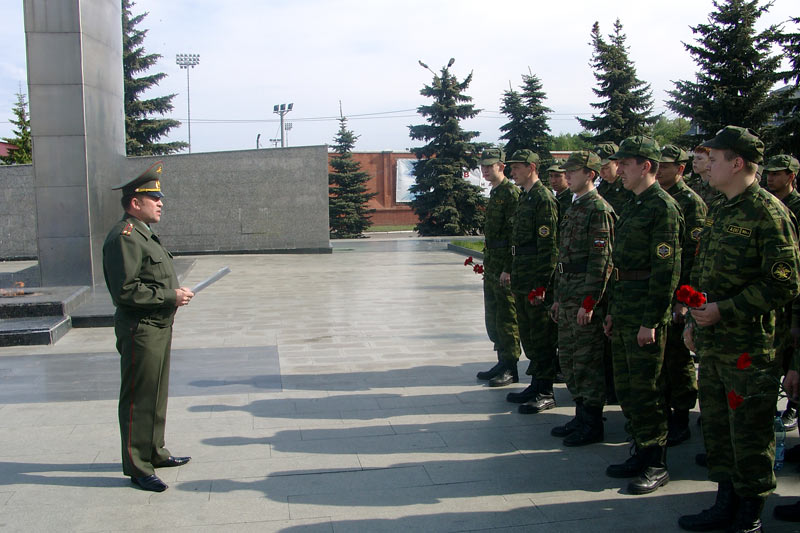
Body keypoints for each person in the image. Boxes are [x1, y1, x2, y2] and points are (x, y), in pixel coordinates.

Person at [679, 127, 800, 532]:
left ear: (737, 163)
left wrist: (724, 310)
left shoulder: (769, 213)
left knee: (749, 432)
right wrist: (693, 317)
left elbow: (785, 283)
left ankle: (749, 514)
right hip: (713, 342)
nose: (706, 166)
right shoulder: (720, 208)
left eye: (713, 159)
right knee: (717, 427)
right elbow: (702, 270)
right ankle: (724, 502)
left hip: (750, 347)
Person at [103, 161, 195, 492]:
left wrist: (173, 295)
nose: (160, 204)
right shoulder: (125, 238)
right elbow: (126, 291)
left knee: (155, 394)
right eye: (154, 199)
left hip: (157, 326)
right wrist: (171, 295)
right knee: (138, 399)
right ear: (134, 202)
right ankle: (138, 466)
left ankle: (154, 451)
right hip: (140, 329)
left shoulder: (144, 234)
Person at [603, 136, 683, 495]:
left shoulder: (662, 207)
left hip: (645, 315)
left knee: (647, 389)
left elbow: (666, 272)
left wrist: (651, 321)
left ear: (645, 166)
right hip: (624, 309)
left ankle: (656, 461)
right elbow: (620, 267)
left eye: (625, 164)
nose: (619, 169)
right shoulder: (633, 203)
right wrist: (612, 311)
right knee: (627, 388)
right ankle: (639, 450)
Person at [550, 150, 615, 446]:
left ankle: (592, 422)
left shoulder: (598, 209)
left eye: (573, 171)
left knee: (587, 361)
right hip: (568, 294)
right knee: (569, 358)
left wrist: (590, 302)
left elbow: (601, 262)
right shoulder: (575, 205)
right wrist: (558, 297)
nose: (567, 175)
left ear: (590, 174)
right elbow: (563, 258)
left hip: (583, 298)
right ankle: (580, 415)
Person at [655, 145, 707, 446]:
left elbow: (693, 255)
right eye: (657, 165)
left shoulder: (690, 202)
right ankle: (664, 411)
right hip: (661, 290)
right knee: (663, 357)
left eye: (666, 165)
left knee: (678, 357)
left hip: (679, 293)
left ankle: (681, 414)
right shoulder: (657, 197)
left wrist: (684, 298)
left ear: (680, 169)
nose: (659, 170)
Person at [504, 149, 559, 414]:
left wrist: (542, 285)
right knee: (528, 334)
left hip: (535, 281)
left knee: (541, 336)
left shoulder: (543, 198)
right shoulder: (525, 197)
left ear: (531, 167)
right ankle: (535, 384)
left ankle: (546, 390)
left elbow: (549, 248)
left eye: (517, 167)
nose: (512, 172)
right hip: (522, 277)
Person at [475, 149, 522, 387]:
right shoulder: (495, 192)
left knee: (506, 317)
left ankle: (511, 366)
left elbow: (515, 235)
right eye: (482, 166)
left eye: (489, 166)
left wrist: (508, 268)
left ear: (501, 167)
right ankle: (502, 360)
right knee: (493, 316)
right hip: (492, 262)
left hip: (503, 264)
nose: (485, 170)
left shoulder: (511, 193)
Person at [764, 154, 800, 431]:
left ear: (791, 176)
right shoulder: (766, 205)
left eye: (777, 174)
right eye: (769, 173)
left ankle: (793, 406)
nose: (771, 177)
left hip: (793, 294)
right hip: (772, 296)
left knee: (792, 355)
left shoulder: (796, 207)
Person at [595, 142, 632, 214]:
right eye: (599, 168)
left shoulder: (628, 187)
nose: (601, 172)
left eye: (605, 168)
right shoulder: (602, 186)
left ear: (617, 163)